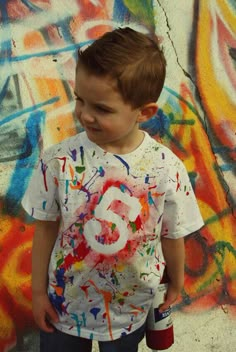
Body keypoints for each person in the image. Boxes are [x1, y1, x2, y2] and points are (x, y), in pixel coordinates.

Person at [22, 27, 204, 352]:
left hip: (129, 308)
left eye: (102, 109)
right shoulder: (58, 161)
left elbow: (173, 234)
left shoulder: (166, 169)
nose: (85, 115)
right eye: (80, 100)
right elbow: (46, 228)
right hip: (64, 305)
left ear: (144, 112)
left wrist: (176, 281)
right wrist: (37, 293)